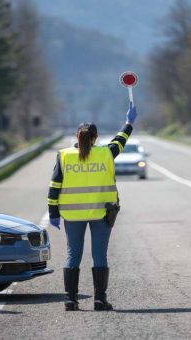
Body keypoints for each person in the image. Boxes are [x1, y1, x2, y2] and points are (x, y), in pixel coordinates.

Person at [47, 102, 137, 311]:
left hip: (72, 215)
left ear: (77, 137)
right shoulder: (106, 153)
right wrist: (129, 123)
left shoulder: (64, 155)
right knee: (99, 255)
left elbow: (54, 187)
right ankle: (99, 300)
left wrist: (53, 213)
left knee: (73, 255)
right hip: (101, 214)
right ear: (95, 138)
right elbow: (120, 141)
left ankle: (70, 300)